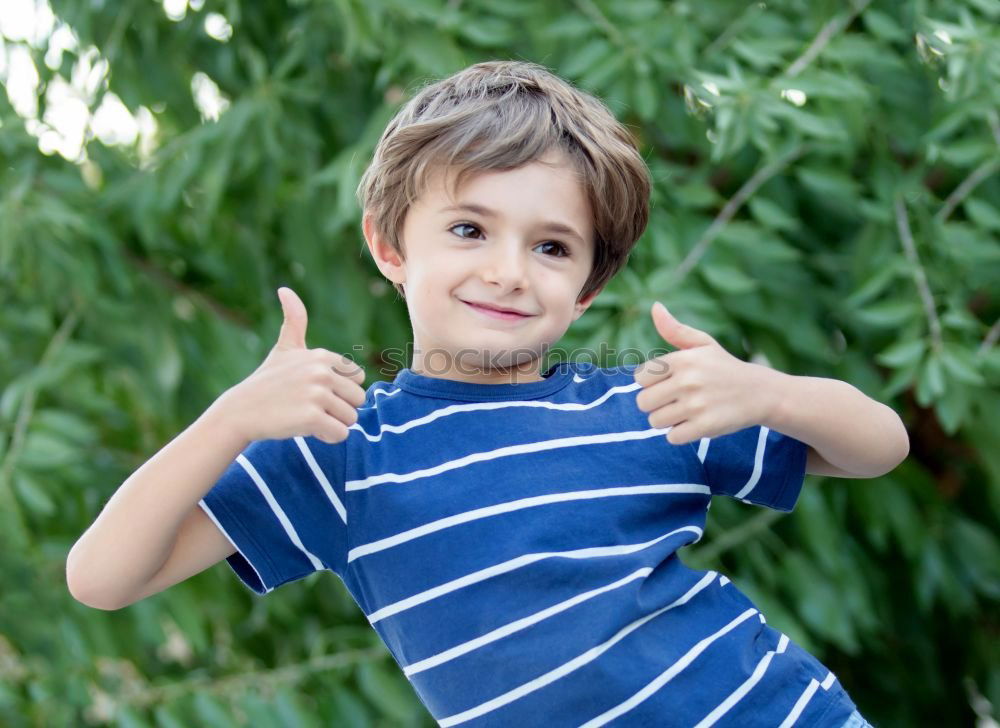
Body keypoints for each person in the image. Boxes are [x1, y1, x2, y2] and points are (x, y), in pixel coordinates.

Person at [67, 60, 907, 726]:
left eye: (552, 247)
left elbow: (878, 447)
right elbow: (101, 577)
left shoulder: (644, 407)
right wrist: (232, 418)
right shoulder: (344, 453)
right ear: (390, 246)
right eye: (469, 229)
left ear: (585, 289)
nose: (508, 271)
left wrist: (769, 393)